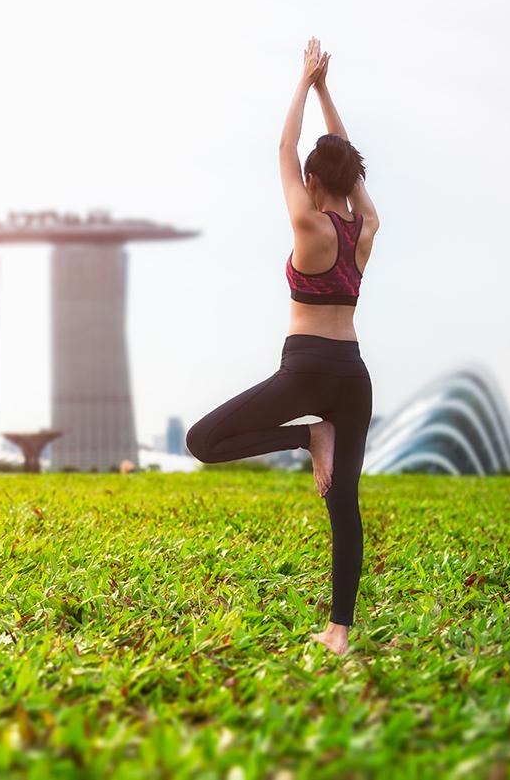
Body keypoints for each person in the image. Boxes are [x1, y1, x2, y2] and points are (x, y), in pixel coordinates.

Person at [184, 37, 378, 656]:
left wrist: (303, 81)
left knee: (202, 442)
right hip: (352, 374)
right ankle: (339, 633)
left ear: (314, 180)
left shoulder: (308, 224)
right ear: (353, 180)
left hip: (304, 374)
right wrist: (327, 92)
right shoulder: (362, 228)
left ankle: (303, 437)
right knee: (343, 504)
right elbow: (341, 160)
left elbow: (283, 148)